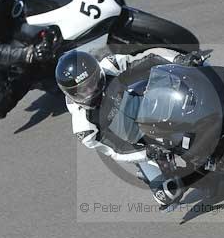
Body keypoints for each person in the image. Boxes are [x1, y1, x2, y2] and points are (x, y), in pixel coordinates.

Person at [55, 48, 207, 208]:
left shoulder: (109, 67)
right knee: (167, 195)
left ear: (98, 72)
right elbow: (117, 150)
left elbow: (150, 57)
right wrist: (148, 152)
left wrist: (179, 59)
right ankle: (192, 177)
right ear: (71, 94)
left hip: (147, 105)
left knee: (190, 82)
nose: (90, 91)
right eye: (82, 90)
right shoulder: (85, 128)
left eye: (92, 82)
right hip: (138, 144)